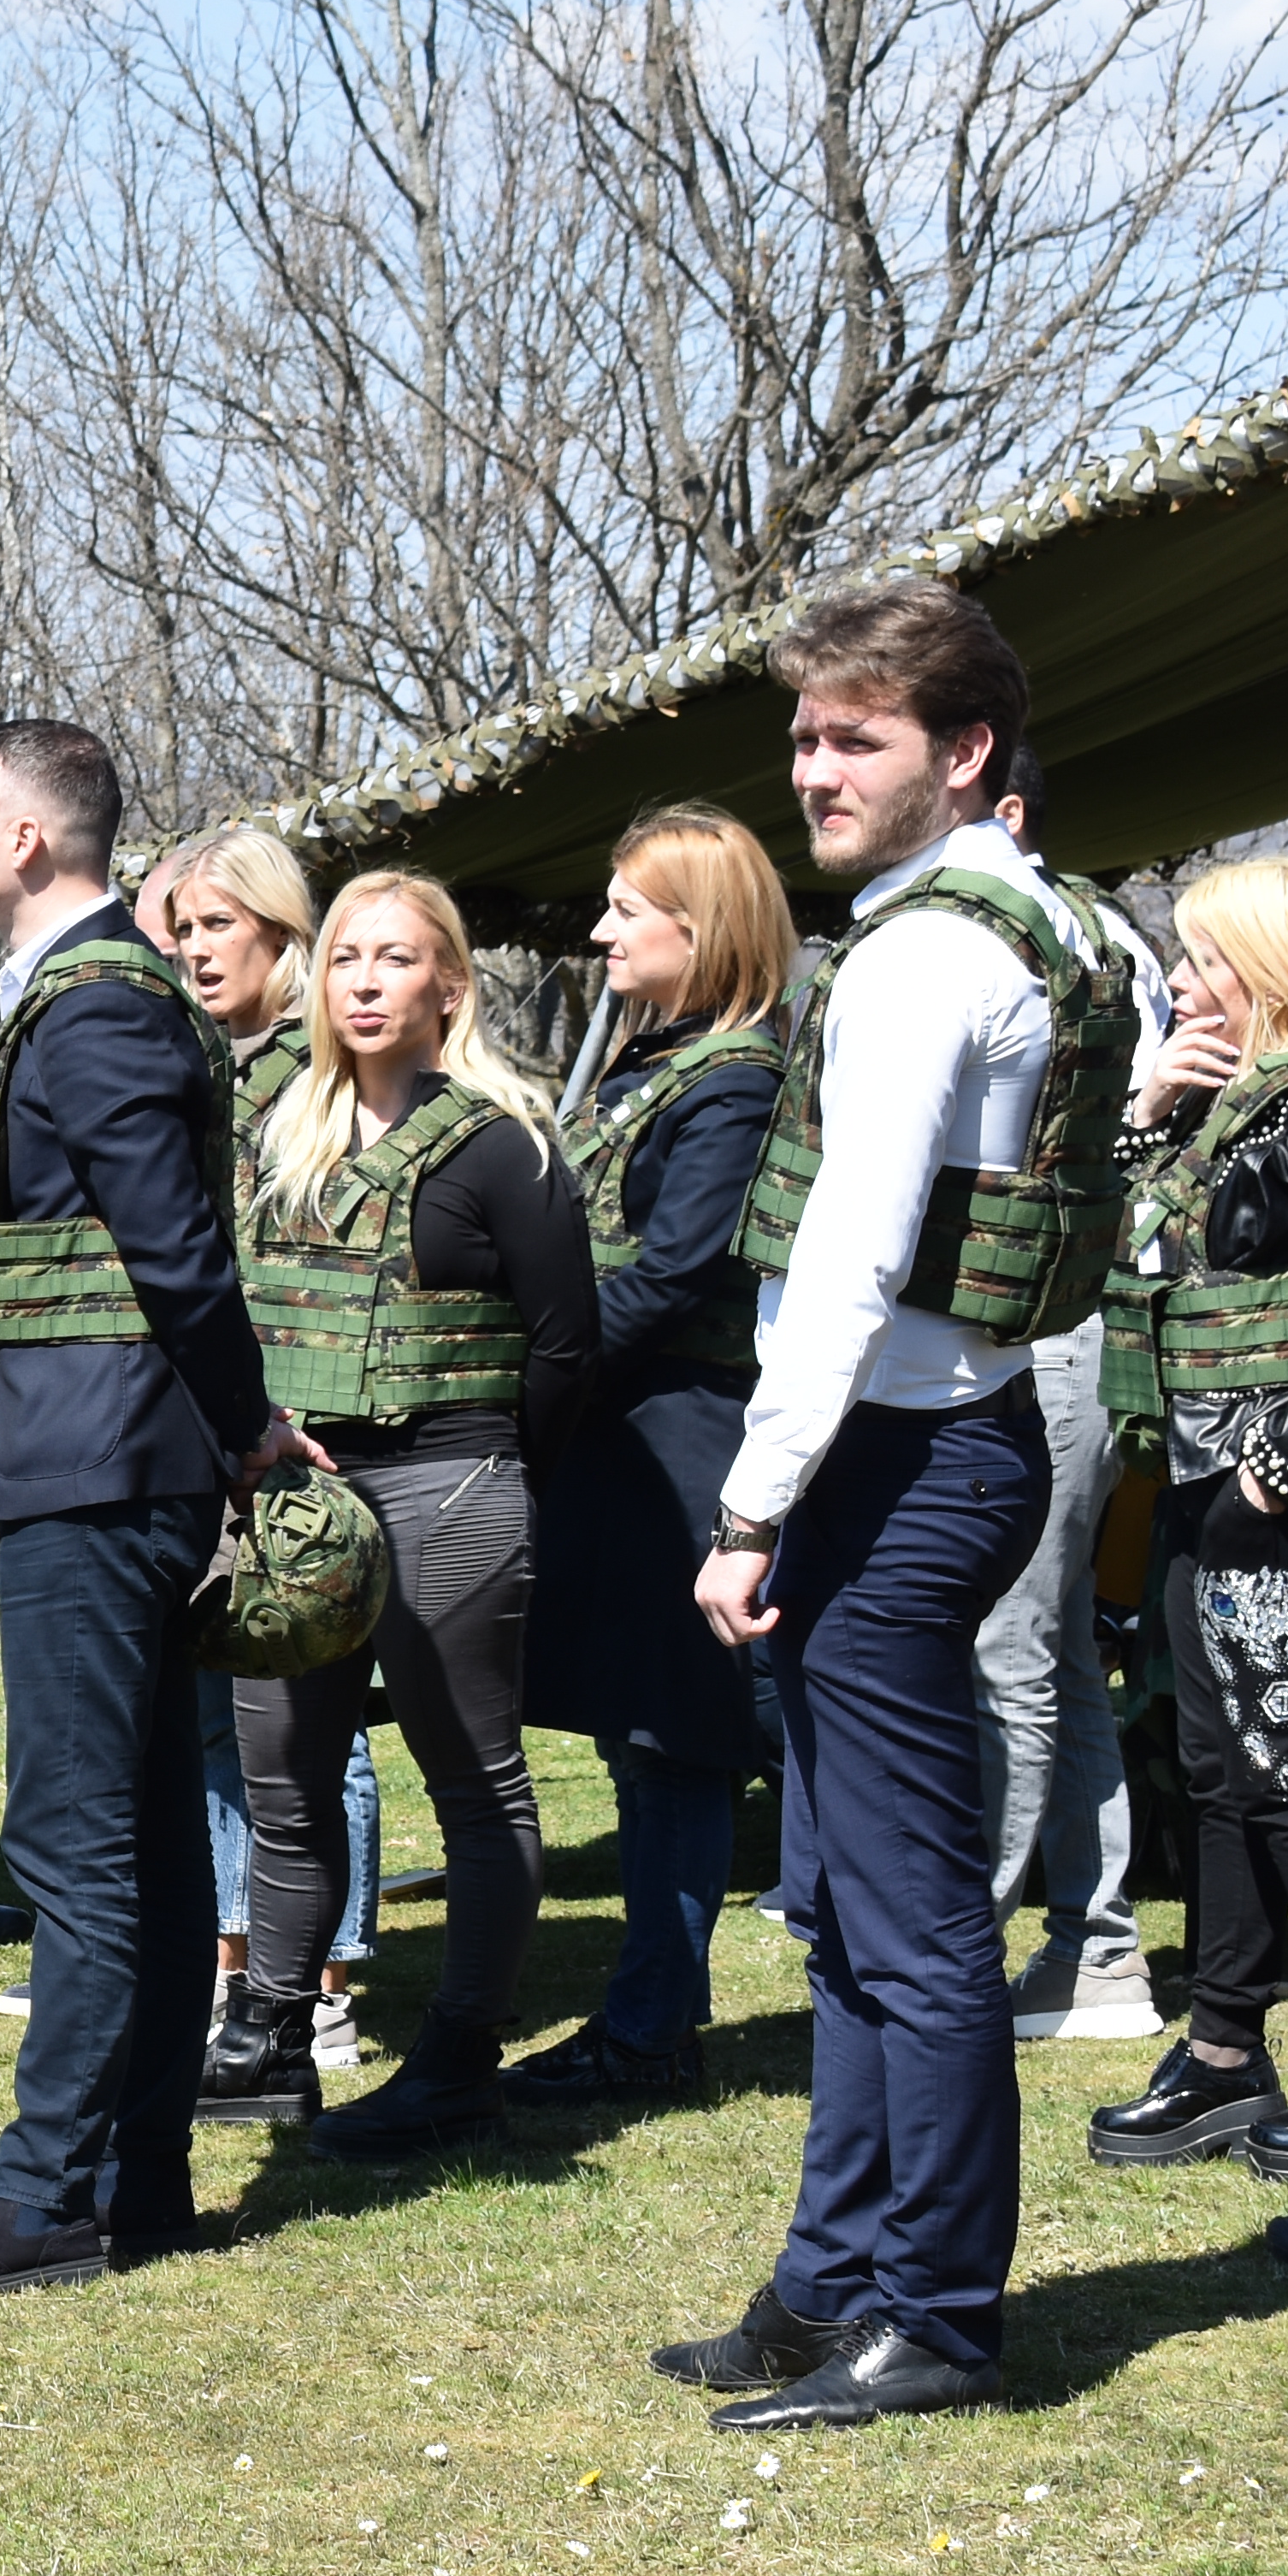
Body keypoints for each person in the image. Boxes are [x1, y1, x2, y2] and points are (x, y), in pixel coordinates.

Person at [661, 576, 1128, 2431]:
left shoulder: (933, 951)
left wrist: (754, 1503)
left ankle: (931, 2308)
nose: (815, 767)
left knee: (916, 1920)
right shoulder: (1028, 916)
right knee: (860, 1900)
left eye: (857, 736)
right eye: (805, 735)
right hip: (940, 1444)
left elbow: (854, 1252)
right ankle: (830, 2276)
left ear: (967, 750)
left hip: (902, 1458)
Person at [0, 720, 283, 2295]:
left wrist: (245, 1430)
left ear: (31, 840)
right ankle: (141, 2175)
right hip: (114, 1460)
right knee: (155, 1840)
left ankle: (47, 2201)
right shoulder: (95, 995)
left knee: (77, 1837)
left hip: (104, 1472)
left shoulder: (95, 1011)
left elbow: (175, 1255)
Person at [201, 869, 596, 2155]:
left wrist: (490, 1471)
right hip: (300, 1503)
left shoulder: (501, 1145)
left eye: (397, 959)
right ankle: (266, 2033)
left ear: (450, 985)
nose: (366, 981)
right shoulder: (282, 1131)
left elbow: (566, 1345)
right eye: (348, 958)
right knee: (286, 1781)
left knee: (474, 1785)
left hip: (451, 1483)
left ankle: (459, 2062)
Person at [1083, 859, 1288, 2204]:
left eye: (1204, 961)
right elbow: (1123, 1251)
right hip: (1195, 1480)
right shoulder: (1215, 1109)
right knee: (1214, 1768)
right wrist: (1146, 1109)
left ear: (1269, 967)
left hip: (1269, 1494)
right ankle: (1222, 2045)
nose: (1185, 985)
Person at [516, 802, 795, 2104]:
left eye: (630, 910)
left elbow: (676, 1273)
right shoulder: (654, 1064)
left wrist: (531, 1374)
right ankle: (649, 2013)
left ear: (706, 928)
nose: (602, 929)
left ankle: (652, 2028)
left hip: (686, 1435)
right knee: (653, 1735)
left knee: (686, 1735)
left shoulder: (734, 1079)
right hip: (623, 1435)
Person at [145, 822, 387, 2050]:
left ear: (285, 935)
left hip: (304, 1419)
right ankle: (240, 1961)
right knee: (221, 1699)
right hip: (217, 1416)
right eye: (180, 929)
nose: (192, 951)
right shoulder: (216, 1060)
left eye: (216, 926)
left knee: (309, 1711)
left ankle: (326, 1984)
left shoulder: (319, 1068)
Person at [982, 776, 1176, 2042]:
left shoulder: (1074, 941)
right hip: (1029, 1324)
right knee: (1045, 1649)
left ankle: (958, 1937)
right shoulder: (1039, 930)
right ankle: (1094, 1950)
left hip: (1060, 1319)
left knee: (1013, 1644)